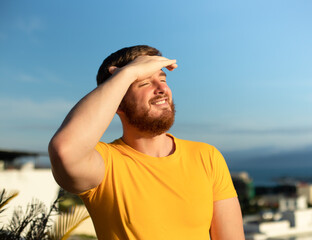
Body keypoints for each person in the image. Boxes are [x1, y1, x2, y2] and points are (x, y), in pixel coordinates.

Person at [48, 45, 245, 240]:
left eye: (162, 79)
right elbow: (64, 150)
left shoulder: (206, 156)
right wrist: (127, 74)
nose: (161, 89)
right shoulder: (105, 163)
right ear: (118, 103)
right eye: (144, 83)